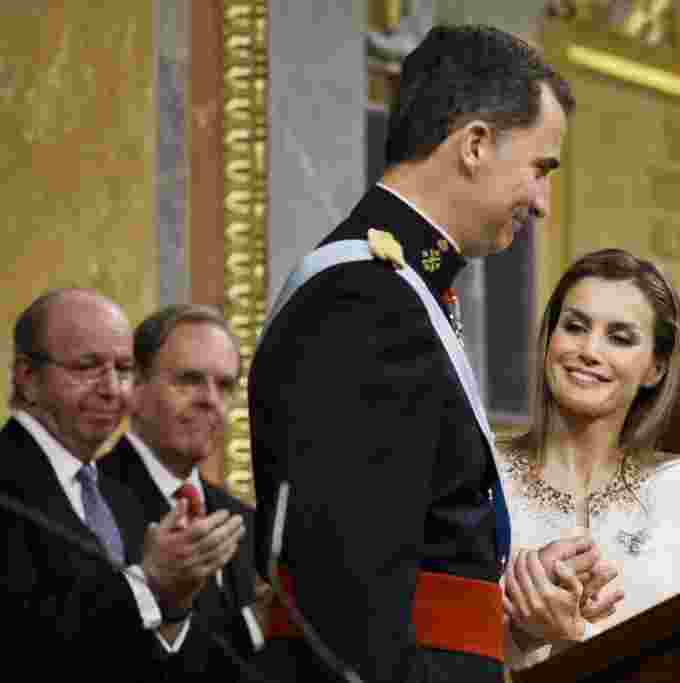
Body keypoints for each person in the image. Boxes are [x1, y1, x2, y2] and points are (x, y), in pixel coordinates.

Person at [248, 24, 611, 683]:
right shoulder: (366, 301)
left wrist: (512, 617)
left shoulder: (403, 293)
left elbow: (418, 576)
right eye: (539, 168)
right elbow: (349, 609)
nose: (543, 202)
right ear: (474, 144)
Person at [0, 289, 245, 680]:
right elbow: (24, 643)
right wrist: (149, 583)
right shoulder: (10, 482)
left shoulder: (109, 495)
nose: (112, 388)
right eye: (88, 367)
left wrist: (175, 604)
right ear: (28, 377)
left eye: (123, 369)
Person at [497, 249, 680, 668]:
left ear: (656, 368)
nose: (589, 350)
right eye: (575, 327)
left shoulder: (676, 488)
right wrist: (524, 631)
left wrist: (574, 635)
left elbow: (679, 657)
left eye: (620, 337)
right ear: (549, 340)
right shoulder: (483, 466)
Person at [99, 304, 267, 681]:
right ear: (135, 388)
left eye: (224, 386)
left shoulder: (245, 520)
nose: (210, 399)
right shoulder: (91, 500)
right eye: (189, 381)